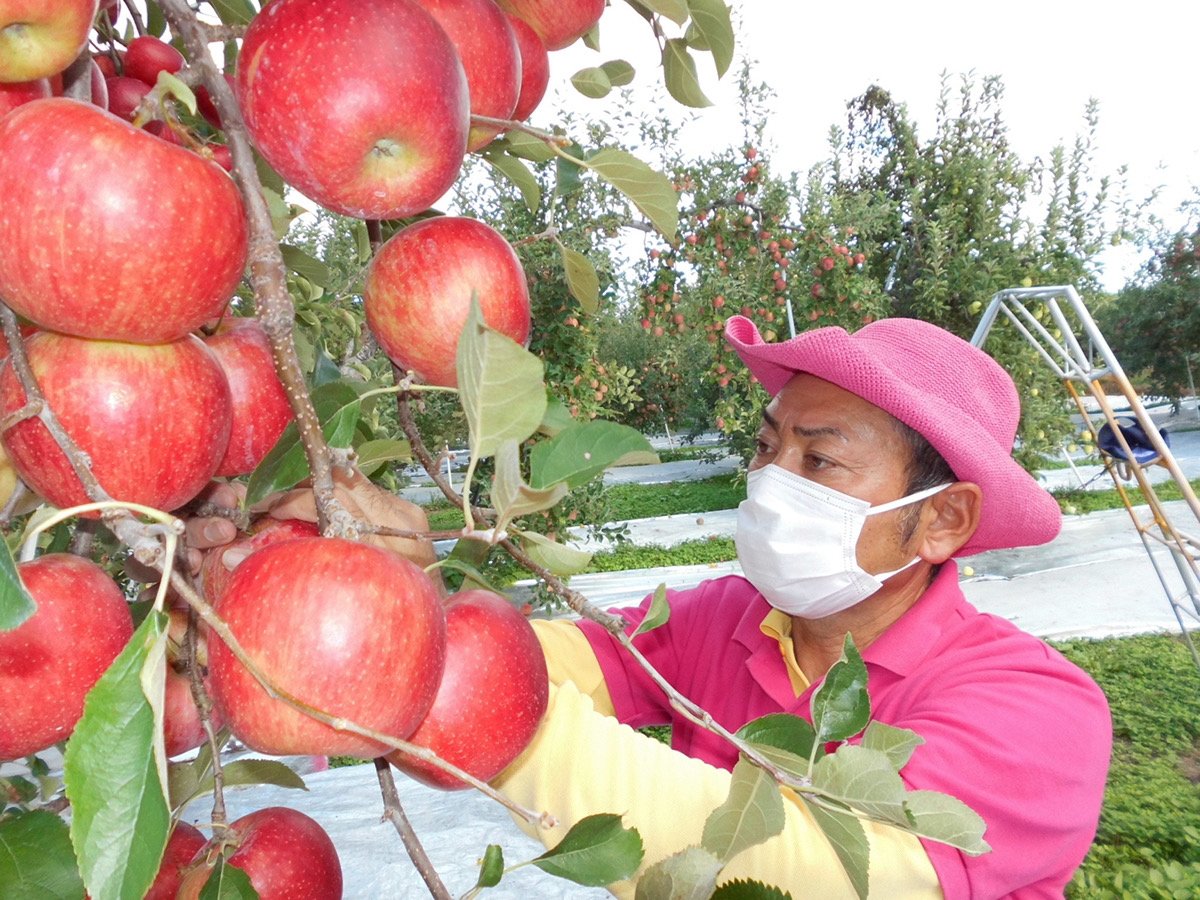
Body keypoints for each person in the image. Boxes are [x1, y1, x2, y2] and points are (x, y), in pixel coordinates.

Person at [192, 314, 1111, 899]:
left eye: (819, 461)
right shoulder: (730, 620)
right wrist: (385, 588)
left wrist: (470, 697)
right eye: (766, 448)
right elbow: (553, 656)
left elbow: (836, 874)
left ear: (942, 520)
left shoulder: (1040, 712)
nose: (770, 484)